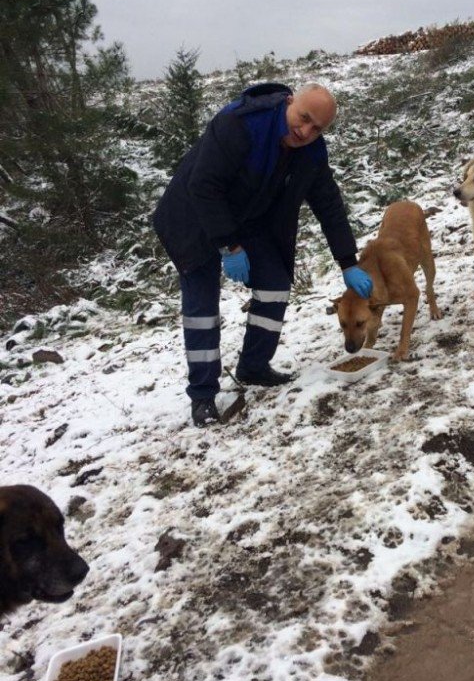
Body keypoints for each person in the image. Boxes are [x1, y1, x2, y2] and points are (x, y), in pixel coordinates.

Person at [152, 81, 373, 426]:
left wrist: (347, 261)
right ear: (289, 102)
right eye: (303, 118)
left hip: (244, 217)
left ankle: (254, 366)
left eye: (317, 128)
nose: (305, 131)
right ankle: (203, 395)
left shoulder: (311, 151)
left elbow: (328, 203)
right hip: (192, 217)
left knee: (275, 283)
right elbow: (203, 185)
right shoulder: (241, 124)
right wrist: (229, 245)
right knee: (202, 309)